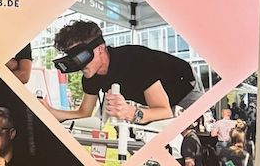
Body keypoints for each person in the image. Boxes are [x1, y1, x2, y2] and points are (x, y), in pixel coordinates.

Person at [42, 20, 200, 125]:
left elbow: (164, 111)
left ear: (100, 48)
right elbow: (84, 113)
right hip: (158, 102)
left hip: (184, 86)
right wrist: (49, 111)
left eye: (81, 56)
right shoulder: (91, 75)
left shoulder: (135, 59)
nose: (80, 64)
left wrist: (131, 113)